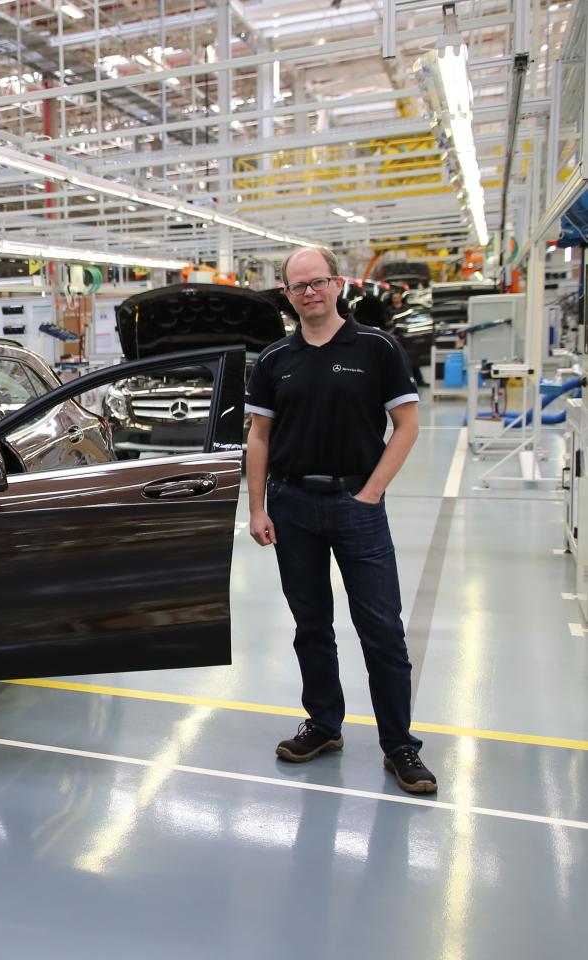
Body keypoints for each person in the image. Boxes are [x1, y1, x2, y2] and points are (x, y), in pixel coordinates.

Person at [245, 246, 433, 794]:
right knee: (311, 625)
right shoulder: (274, 359)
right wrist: (257, 507)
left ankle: (399, 745)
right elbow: (259, 437)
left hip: (357, 504)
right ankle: (324, 725)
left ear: (337, 285)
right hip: (292, 505)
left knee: (382, 629)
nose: (310, 292)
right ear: (287, 294)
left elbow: (406, 425)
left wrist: (372, 492)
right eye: (298, 285)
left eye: (318, 281)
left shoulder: (377, 347)